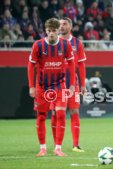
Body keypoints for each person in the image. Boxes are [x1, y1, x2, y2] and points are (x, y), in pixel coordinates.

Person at [28, 18, 75, 157]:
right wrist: (31, 86)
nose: (52, 34)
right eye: (49, 31)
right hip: (42, 86)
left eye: (54, 31)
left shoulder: (66, 45)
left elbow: (72, 64)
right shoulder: (38, 45)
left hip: (59, 85)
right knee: (41, 116)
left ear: (58, 31)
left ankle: (58, 148)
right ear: (46, 31)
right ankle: (42, 148)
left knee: (60, 114)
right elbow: (31, 66)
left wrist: (72, 84)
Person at [50, 17, 86, 153]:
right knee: (55, 113)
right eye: (59, 25)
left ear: (70, 27)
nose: (61, 27)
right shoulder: (52, 42)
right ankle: (56, 145)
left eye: (64, 24)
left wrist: (82, 84)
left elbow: (81, 64)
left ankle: (76, 145)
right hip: (56, 84)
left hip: (73, 84)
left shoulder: (77, 43)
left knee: (74, 112)